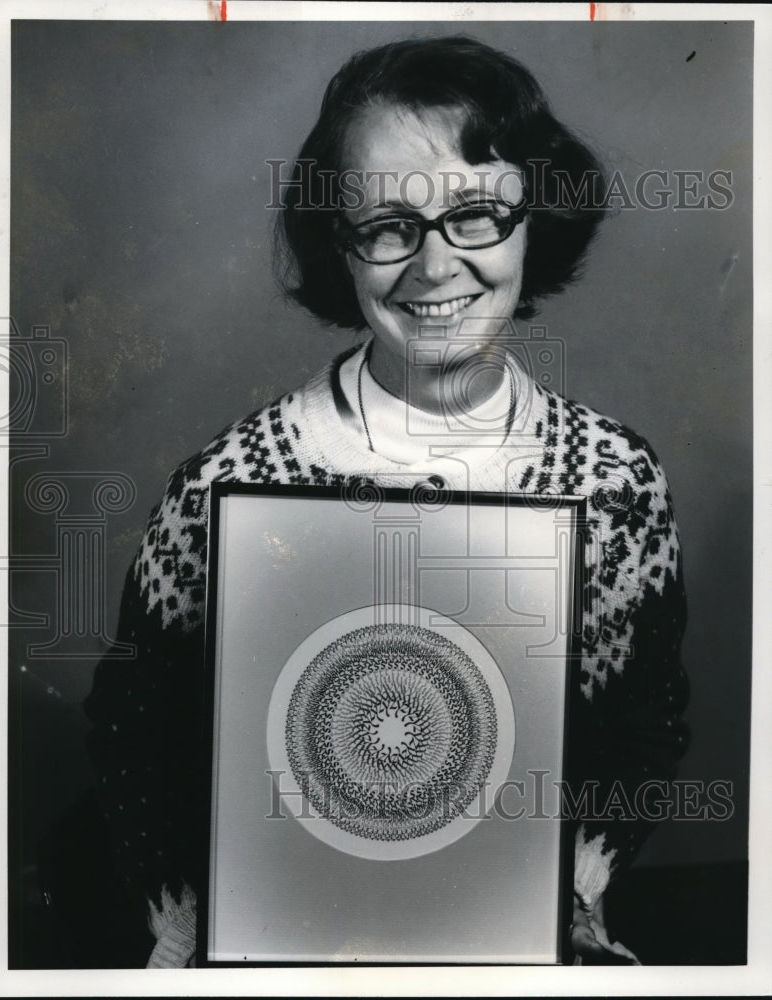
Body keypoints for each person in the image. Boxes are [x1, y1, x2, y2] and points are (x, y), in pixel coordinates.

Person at [84, 35, 689, 967]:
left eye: (477, 213)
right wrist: (192, 923)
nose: (434, 266)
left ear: (538, 218)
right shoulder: (225, 483)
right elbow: (136, 735)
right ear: (342, 246)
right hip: (268, 951)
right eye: (387, 227)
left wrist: (568, 890)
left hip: (518, 942)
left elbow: (644, 725)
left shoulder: (615, 483)